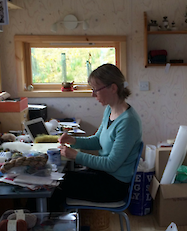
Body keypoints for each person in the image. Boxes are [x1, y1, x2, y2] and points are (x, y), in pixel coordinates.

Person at [48, 63, 143, 212]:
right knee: (59, 177)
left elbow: (111, 164)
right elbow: (98, 140)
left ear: (113, 88)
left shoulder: (129, 122)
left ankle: (46, 228)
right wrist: (73, 140)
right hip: (104, 176)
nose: (93, 95)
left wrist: (76, 155)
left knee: (56, 184)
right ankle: (48, 226)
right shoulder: (110, 110)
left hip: (114, 185)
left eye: (96, 90)